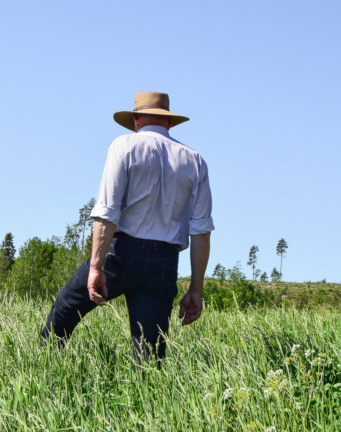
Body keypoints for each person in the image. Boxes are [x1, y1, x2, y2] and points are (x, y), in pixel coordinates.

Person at [40, 91, 213, 361]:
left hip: (121, 255)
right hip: (164, 264)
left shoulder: (124, 146)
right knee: (149, 354)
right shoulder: (195, 160)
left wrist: (96, 266)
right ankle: (146, 400)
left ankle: (42, 367)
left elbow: (107, 212)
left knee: (64, 310)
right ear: (169, 122)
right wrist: (195, 290)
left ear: (135, 119)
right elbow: (201, 231)